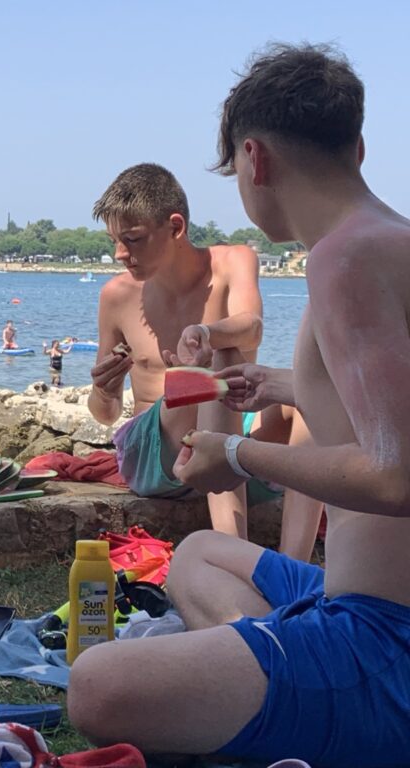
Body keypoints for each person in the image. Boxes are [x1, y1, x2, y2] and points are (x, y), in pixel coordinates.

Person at [68, 44, 410, 765]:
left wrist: (235, 452)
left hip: (387, 640)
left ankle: (307, 691)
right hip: (357, 596)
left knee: (96, 687)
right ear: (358, 145)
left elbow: (398, 474)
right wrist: (281, 386)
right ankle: (284, 670)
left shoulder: (344, 258)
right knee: (197, 556)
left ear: (254, 159)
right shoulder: (387, 242)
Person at [87, 162, 262, 538]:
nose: (120, 253)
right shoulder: (116, 296)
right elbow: (105, 415)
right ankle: (238, 554)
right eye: (114, 241)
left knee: (302, 405)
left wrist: (206, 331)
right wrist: (105, 389)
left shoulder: (233, 262)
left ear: (175, 227)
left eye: (132, 239)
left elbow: (252, 329)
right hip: (155, 457)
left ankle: (301, 570)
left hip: (233, 442)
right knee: (206, 378)